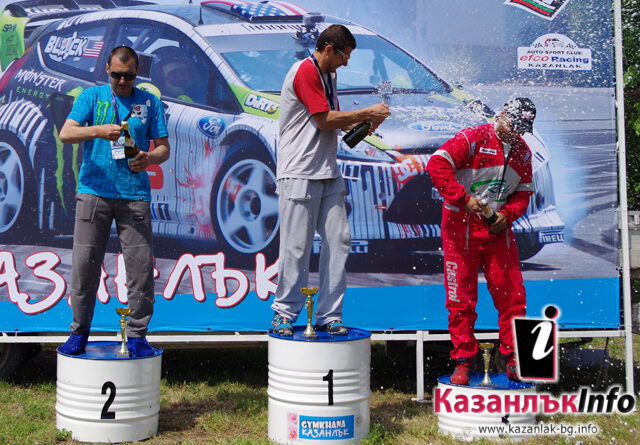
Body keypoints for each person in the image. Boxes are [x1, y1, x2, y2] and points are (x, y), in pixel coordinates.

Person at [271, 24, 390, 336]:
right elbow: (323, 119)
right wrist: (366, 112)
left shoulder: (329, 75)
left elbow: (331, 122)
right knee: (296, 248)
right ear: (328, 49)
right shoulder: (305, 71)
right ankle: (284, 313)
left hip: (327, 170)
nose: (346, 63)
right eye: (344, 56)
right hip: (299, 172)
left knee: (340, 240)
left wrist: (362, 124)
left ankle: (329, 314)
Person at [57, 46, 170, 356]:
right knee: (84, 267)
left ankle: (137, 336)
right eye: (117, 75)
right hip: (93, 191)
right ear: (107, 68)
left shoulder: (149, 102)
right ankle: (79, 332)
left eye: (129, 76)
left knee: (141, 271)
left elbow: (164, 148)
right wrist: (98, 131)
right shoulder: (91, 97)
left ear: (137, 73)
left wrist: (149, 157)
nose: (122, 81)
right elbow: (66, 133)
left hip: (134, 195)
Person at [426, 97, 537, 384]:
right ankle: (463, 360)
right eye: (513, 125)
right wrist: (462, 199)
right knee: (460, 300)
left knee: (513, 296)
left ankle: (515, 359)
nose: (516, 133)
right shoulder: (473, 138)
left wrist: (507, 215)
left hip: (498, 230)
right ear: (502, 115)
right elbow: (437, 164)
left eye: (522, 129)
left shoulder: (523, 153)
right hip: (460, 228)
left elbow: (523, 194)